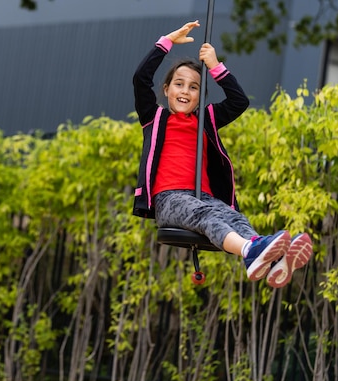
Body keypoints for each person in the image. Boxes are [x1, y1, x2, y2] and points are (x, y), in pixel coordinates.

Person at [132, 20, 312, 287]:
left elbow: (239, 101)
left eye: (193, 87)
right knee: (205, 215)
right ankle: (251, 252)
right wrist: (166, 41)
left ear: (200, 96)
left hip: (203, 197)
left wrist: (216, 66)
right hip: (169, 199)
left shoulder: (206, 120)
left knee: (234, 216)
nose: (185, 91)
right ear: (167, 89)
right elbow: (140, 78)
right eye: (179, 84)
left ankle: (271, 261)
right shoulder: (155, 118)